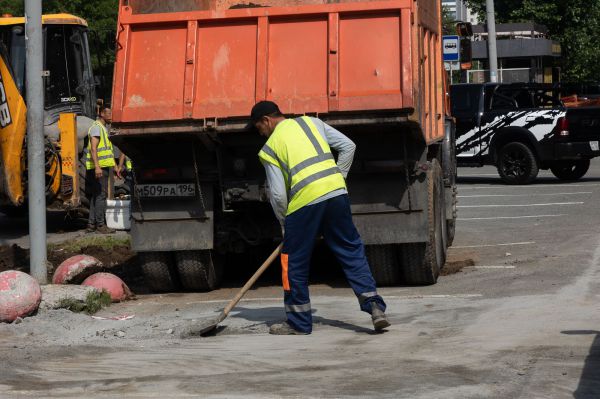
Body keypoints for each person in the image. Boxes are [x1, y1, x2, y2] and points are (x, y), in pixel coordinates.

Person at [252, 100, 390, 335]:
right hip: (336, 194)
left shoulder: (270, 147)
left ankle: (299, 322)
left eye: (259, 128)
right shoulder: (312, 122)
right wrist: (338, 177)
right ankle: (374, 305)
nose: (261, 133)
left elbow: (277, 194)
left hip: (304, 203)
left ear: (266, 120)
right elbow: (348, 146)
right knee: (350, 250)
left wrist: (285, 223)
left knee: (293, 262)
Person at [84, 106, 115, 234]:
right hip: (99, 167)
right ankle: (101, 225)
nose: (111, 116)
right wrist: (97, 167)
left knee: (95, 196)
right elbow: (93, 148)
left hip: (101, 166)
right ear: (102, 114)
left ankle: (91, 224)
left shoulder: (101, 128)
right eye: (108, 113)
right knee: (101, 196)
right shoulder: (97, 127)